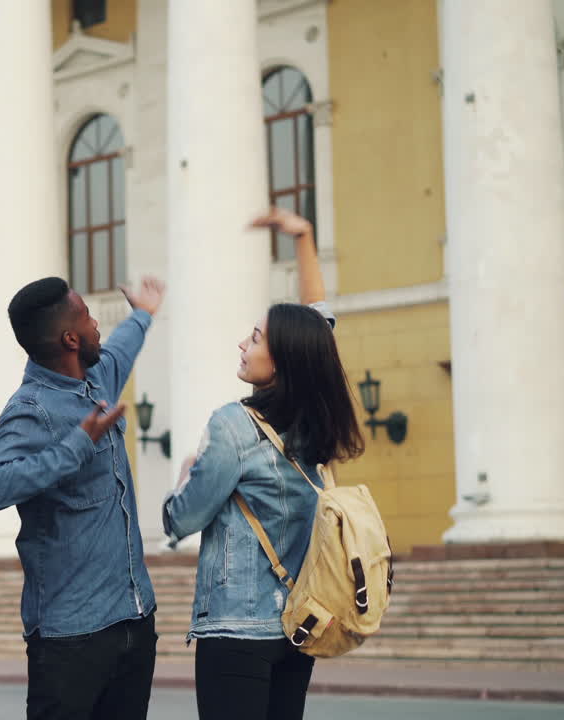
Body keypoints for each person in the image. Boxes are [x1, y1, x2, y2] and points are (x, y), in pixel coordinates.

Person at [162, 207, 366, 720]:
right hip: (297, 624)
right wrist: (303, 239)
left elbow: (182, 518)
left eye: (255, 338)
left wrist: (187, 472)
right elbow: (319, 323)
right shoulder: (317, 416)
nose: (243, 343)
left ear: (283, 359)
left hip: (236, 629)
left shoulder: (234, 424)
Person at [0, 275, 166, 720]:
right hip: (71, 640)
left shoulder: (97, 378)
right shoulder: (31, 409)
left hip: (134, 620)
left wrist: (143, 314)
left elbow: (120, 348)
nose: (96, 322)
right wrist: (77, 444)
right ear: (69, 338)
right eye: (86, 316)